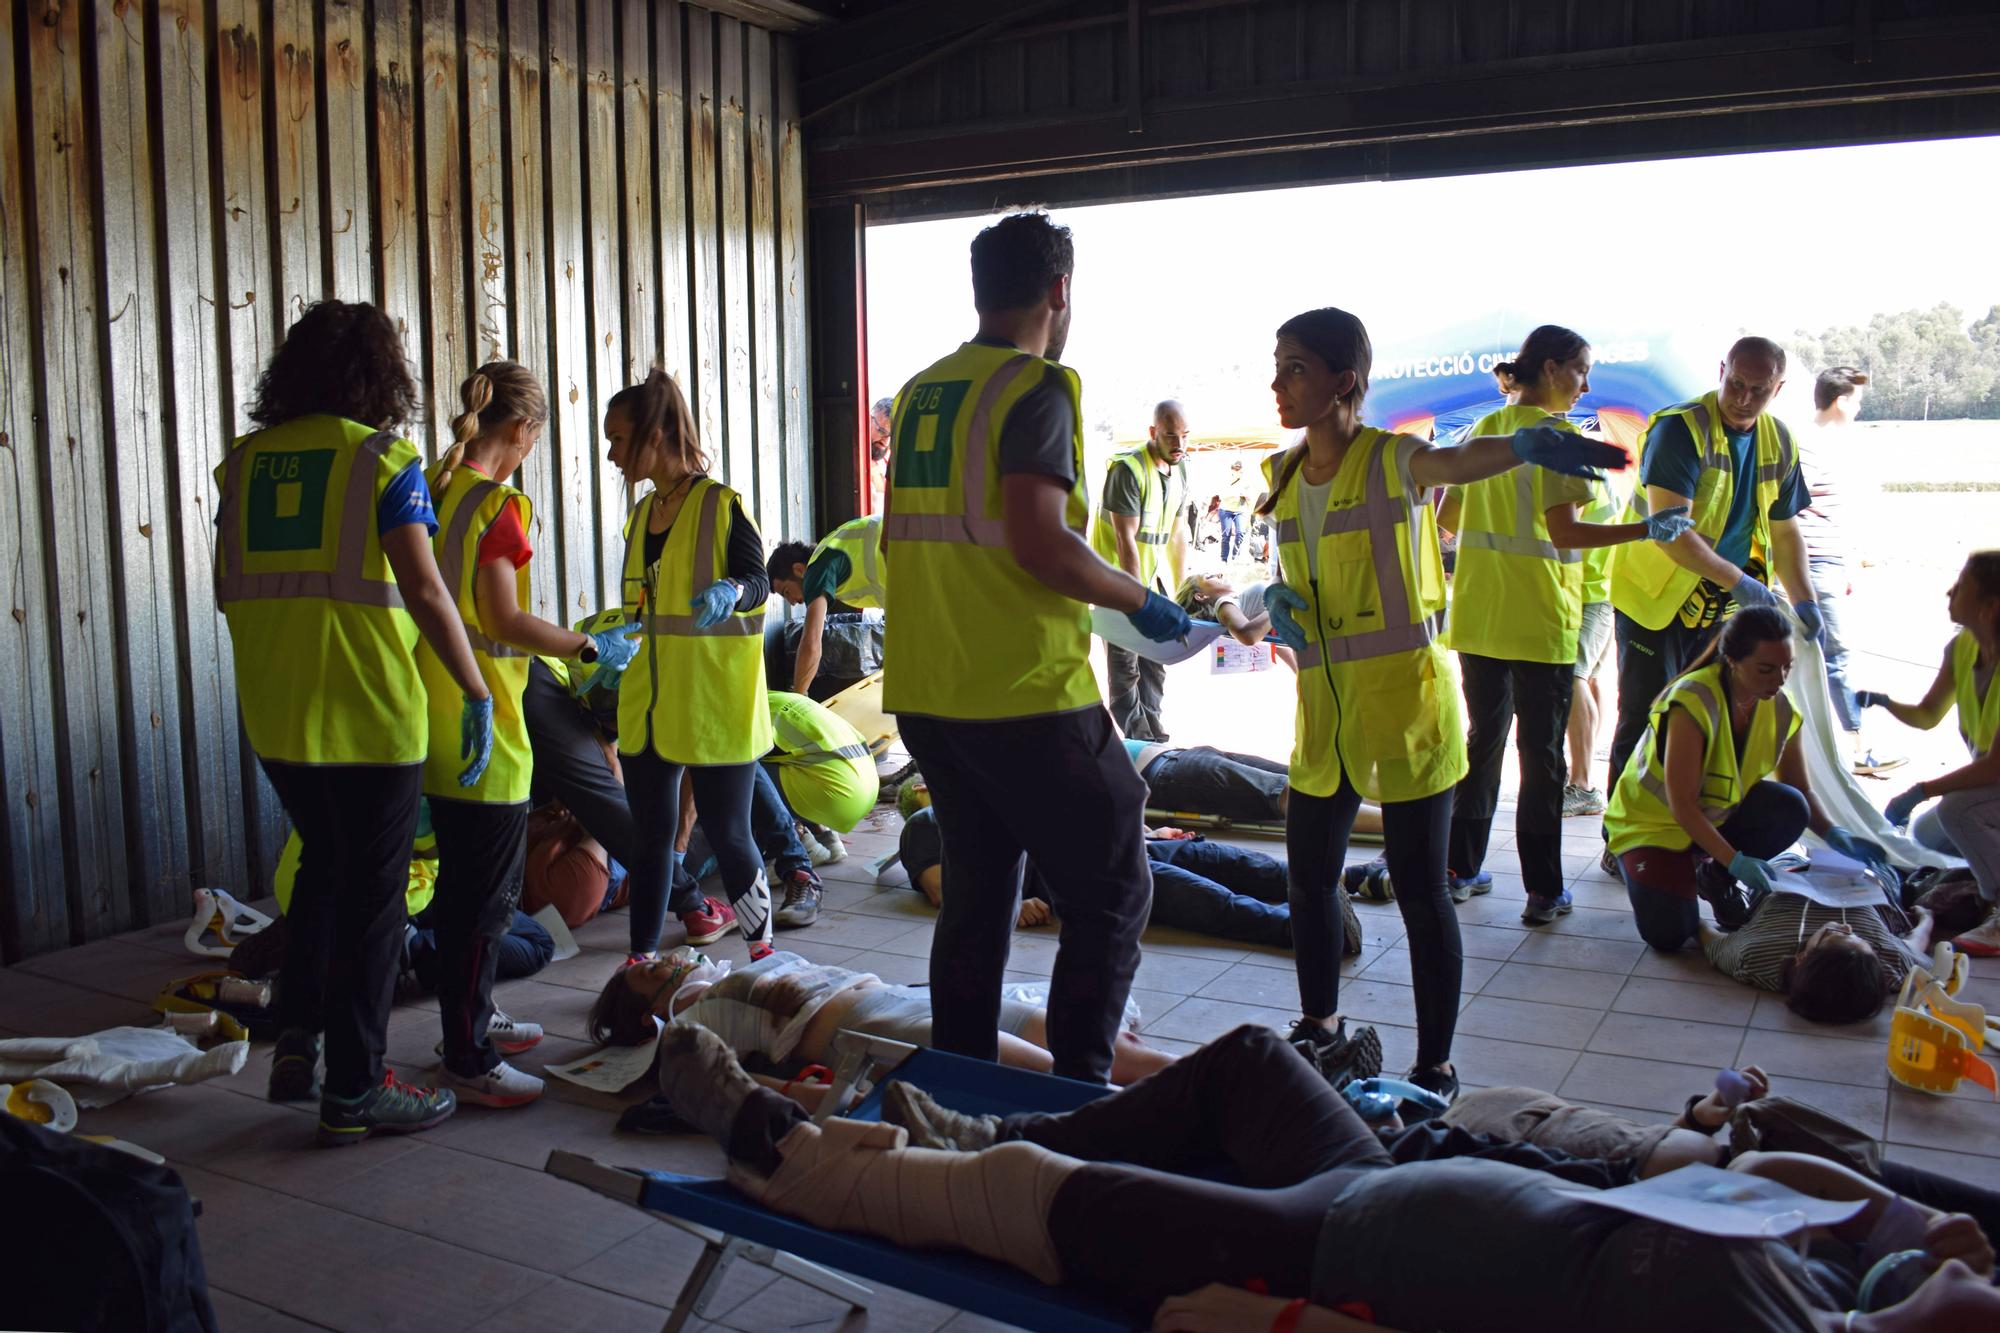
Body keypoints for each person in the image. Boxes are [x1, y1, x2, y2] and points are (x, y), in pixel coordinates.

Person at [654, 1020, 2000, 1332]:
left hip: (1331, 1252)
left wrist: (1911, 1297)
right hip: (1390, 1176)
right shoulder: (1820, 1258)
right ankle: (975, 1140)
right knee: (1247, 1060)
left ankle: (781, 1146)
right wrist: (1895, 1214)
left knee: (1018, 1201)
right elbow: (1800, 1179)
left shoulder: (1781, 1322)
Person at [1256, 306, 1625, 1103]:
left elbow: (1458, 464)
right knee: (1309, 879)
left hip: (1408, 708)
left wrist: (1522, 445)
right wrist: (1266, 595)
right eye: (1277, 365)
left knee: (1425, 892)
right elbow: (1287, 579)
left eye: (1293, 369)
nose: (1277, 384)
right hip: (1325, 714)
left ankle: (1436, 1067)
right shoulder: (1281, 476)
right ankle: (1319, 1025)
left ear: (1343, 382)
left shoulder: (1394, 460)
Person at [879, 212, 1192, 1084]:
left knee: (978, 902)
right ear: (1060, 291)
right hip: (1020, 692)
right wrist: (1146, 602)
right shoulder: (1037, 388)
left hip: (930, 692)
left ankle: (965, 1092)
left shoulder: (921, 391)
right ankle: (1078, 1098)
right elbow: (1040, 542)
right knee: (1115, 889)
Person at [214, 301, 483, 1145]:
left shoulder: (245, 464)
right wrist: (474, 689)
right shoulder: (381, 460)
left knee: (324, 873)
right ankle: (359, 1089)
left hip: (278, 717)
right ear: (381, 376)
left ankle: (296, 1046)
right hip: (368, 715)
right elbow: (427, 589)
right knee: (373, 901)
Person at [411, 363, 640, 1109]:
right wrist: (584, 646)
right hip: (490, 720)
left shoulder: (437, 490)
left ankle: (470, 1019)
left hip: (434, 712)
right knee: (487, 896)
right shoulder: (499, 505)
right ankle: (468, 1054)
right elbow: (505, 618)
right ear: (524, 431)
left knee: (462, 888)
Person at [1442, 326, 1694, 921]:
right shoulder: (1558, 440)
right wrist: (1645, 530)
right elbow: (1567, 534)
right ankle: (1542, 889)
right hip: (1540, 621)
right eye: (1581, 371)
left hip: (1479, 617)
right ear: (1552, 369)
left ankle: (1462, 871)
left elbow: (1448, 517)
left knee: (1483, 744)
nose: (1586, 385)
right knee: (1542, 755)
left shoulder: (1484, 430)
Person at [1604, 336, 1817, 876]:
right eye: (1735, 384)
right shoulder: (1681, 428)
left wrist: (1805, 600)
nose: (1743, 398)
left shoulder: (1779, 441)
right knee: (1646, 711)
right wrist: (1742, 584)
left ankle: (1699, 835)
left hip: (1720, 605)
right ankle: (1620, 838)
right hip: (1654, 599)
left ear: (1779, 388)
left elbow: (1786, 532)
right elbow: (1671, 533)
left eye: (1758, 390)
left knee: (1715, 714)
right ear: (1721, 371)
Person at [606, 370, 776, 968]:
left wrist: (733, 589)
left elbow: (761, 583)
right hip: (650, 704)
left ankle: (765, 959)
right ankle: (641, 965)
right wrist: (613, 642)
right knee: (651, 843)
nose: (611, 453)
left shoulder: (719, 504)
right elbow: (645, 610)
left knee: (731, 834)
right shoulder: (639, 517)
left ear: (654, 436)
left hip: (714, 703)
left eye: (619, 439)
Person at [1604, 606, 1889, 952]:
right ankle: (1662, 863)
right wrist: (1735, 859)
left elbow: (1800, 789)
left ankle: (1714, 878)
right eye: (1766, 669)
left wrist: (1836, 834)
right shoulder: (1692, 701)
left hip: (1710, 823)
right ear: (1733, 660)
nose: (1779, 680)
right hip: (1651, 828)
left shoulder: (1782, 707)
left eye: (1787, 668)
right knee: (1670, 933)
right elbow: (1682, 805)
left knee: (1789, 806)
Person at [588, 947, 1175, 1087]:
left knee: (1081, 1038)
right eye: (646, 972)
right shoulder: (693, 1017)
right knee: (1042, 1069)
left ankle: (1219, 1077)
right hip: (866, 1033)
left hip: (899, 998)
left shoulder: (720, 979)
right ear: (647, 1014)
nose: (662, 959)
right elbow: (700, 1069)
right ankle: (1150, 1118)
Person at [897, 805, 1335, 952]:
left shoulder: (1008, 791)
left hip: (1123, 844)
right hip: (1083, 875)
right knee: (1197, 896)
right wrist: (1012, 907)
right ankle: (1300, 928)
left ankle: (1344, 880)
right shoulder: (925, 824)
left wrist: (1148, 832)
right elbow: (941, 889)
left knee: (1229, 860)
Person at [521, 654, 739, 943]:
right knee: (610, 801)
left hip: (520, 678)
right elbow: (606, 804)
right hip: (530, 677)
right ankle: (695, 907)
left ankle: (694, 902)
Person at [1864, 550, 2000, 955]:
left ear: (1991, 608)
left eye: (1960, 587)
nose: (1949, 592)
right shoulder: (1962, 648)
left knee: (1957, 810)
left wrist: (1922, 789)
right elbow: (1926, 715)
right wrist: (1883, 701)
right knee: (1928, 833)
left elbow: (1995, 766)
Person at [1799, 367, 1904, 777]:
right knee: (1834, 655)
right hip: (1812, 564)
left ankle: (1839, 747)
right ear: (1840, 401)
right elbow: (1790, 513)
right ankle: (1857, 749)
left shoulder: (1823, 445)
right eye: (1856, 401)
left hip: (1826, 564)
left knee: (1827, 656)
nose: (1859, 409)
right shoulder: (1807, 445)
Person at [1090, 401, 1192, 741]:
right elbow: (1125, 541)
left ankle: (1155, 736)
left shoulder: (1181, 471)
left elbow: (1178, 535)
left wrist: (1181, 592)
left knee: (1154, 664)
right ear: (1153, 433)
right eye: (1170, 436)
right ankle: (1139, 743)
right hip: (1115, 585)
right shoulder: (1128, 470)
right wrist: (1138, 604)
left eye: (1185, 436)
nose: (1179, 445)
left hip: (1148, 582)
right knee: (1125, 671)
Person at [1699, 895, 1934, 1024]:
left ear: (1801, 958)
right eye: (1866, 944)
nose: (1848, 927)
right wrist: (1926, 917)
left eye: (1839, 934)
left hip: (1789, 876)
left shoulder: (1754, 957)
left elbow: (1707, 935)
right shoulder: (1891, 967)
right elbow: (1916, 943)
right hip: (1866, 881)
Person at [762, 690, 879, 927]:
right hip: (864, 787)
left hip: (832, 794)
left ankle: (796, 846)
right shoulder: (783, 701)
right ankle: (826, 839)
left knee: (742, 772)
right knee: (801, 762)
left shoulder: (755, 713)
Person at [1562, 467, 1627, 817]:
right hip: (1599, 588)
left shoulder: (1571, 470)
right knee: (1587, 679)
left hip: (1588, 591)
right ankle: (1581, 772)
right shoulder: (1592, 465)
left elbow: (1561, 531)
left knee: (1573, 677)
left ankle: (1583, 785)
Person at [765, 513, 885, 696]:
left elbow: (811, 641)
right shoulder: (832, 555)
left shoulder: (817, 568)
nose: (792, 601)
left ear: (798, 570)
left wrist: (799, 695)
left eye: (786, 591)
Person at [1217, 459, 1249, 563]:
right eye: (1235, 468)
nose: (1237, 470)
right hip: (1226, 509)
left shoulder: (1246, 480)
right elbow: (1221, 495)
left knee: (1240, 533)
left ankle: (1235, 557)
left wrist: (1246, 496)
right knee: (1226, 535)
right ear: (1231, 468)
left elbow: (1250, 496)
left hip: (1240, 510)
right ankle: (1224, 559)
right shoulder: (1225, 479)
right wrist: (1236, 493)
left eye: (1239, 468)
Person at [868, 396, 893, 513]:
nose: (886, 441)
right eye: (881, 431)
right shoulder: (854, 456)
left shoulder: (892, 462)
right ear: (869, 420)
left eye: (891, 436)